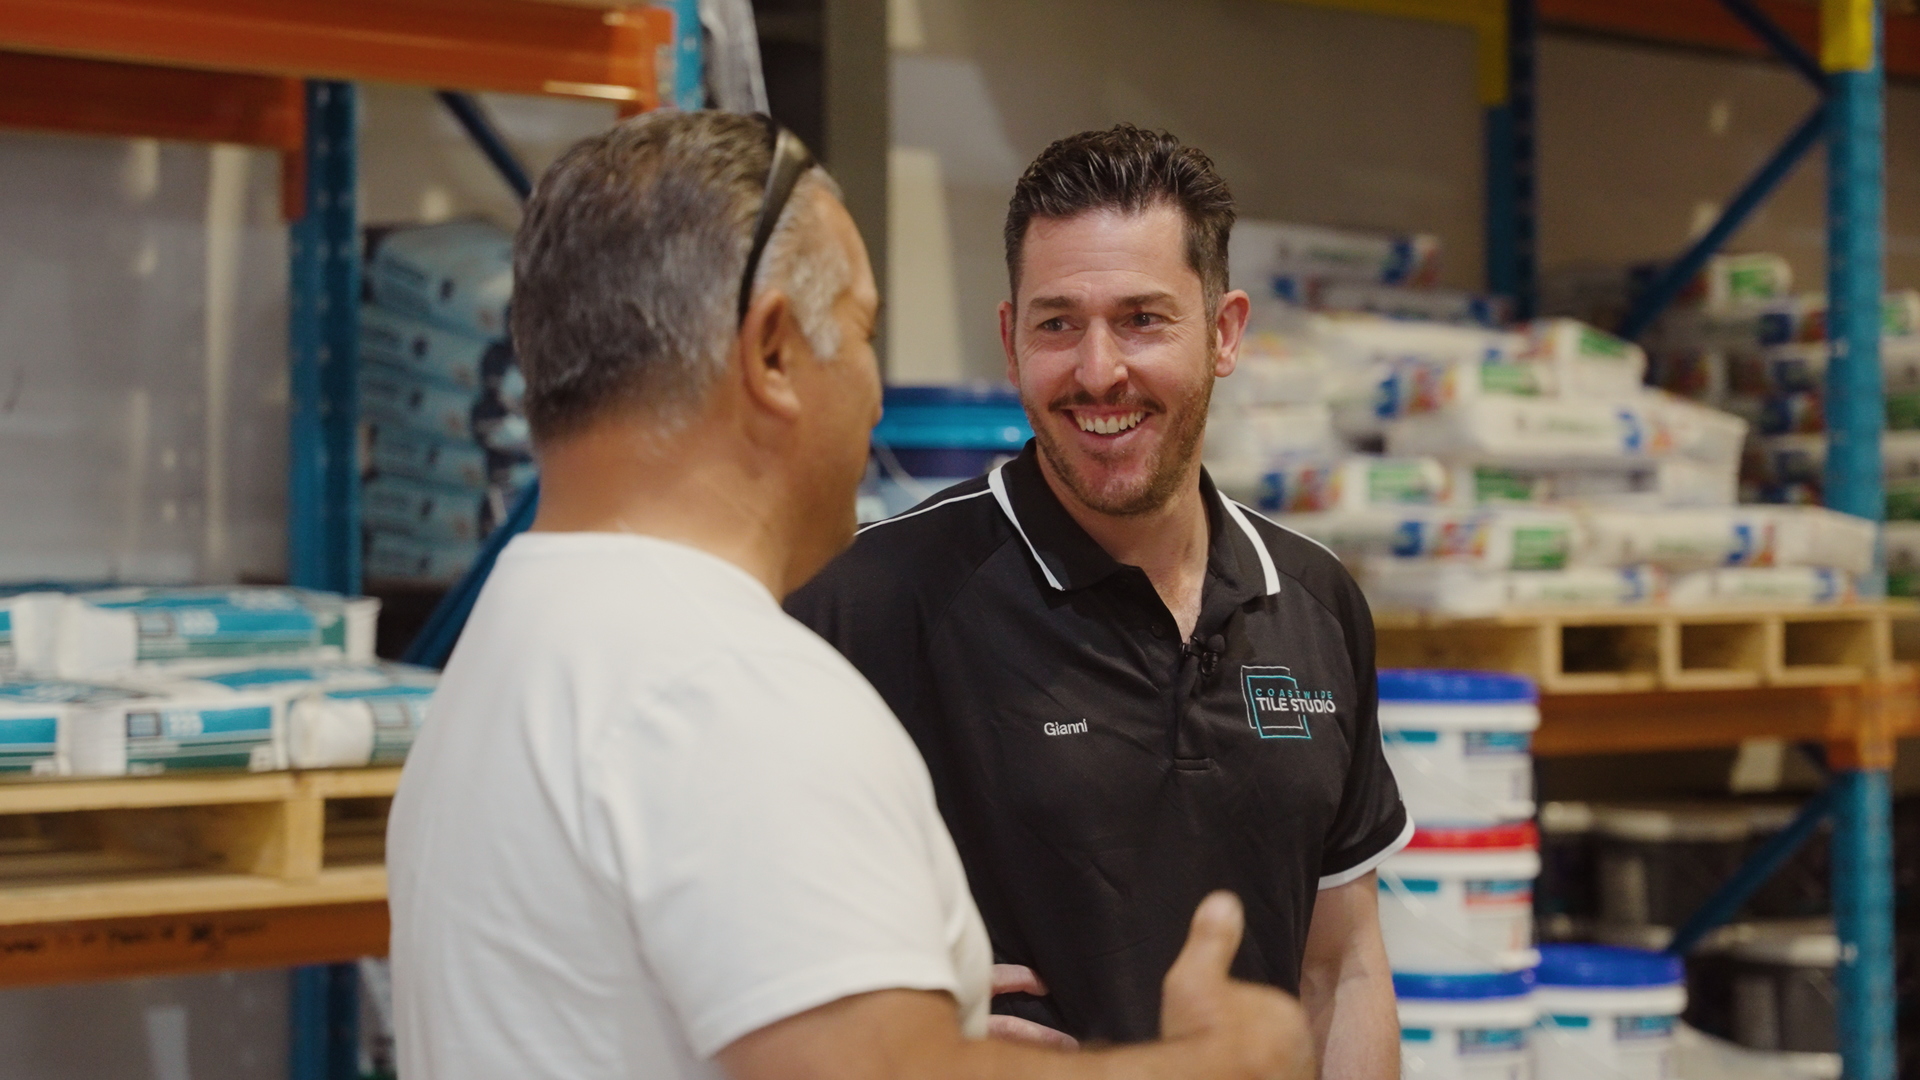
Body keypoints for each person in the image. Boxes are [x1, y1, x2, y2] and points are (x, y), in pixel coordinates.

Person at [387, 109, 1317, 1080]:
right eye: (864, 333)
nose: (874, 399)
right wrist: (1221, 1063)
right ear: (775, 353)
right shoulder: (731, 692)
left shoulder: (514, 647)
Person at [785, 124, 1410, 1075]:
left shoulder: (1313, 601)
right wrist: (898, 1048)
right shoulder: (870, 602)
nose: (1097, 371)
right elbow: (745, 946)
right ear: (1010, 338)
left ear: (1226, 331)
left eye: (1143, 319)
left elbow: (1343, 969)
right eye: (1058, 323)